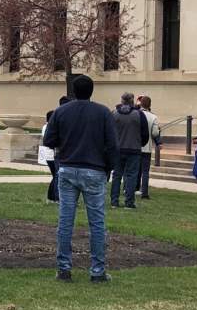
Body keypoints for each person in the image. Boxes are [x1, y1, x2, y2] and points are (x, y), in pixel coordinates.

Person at [44, 75, 118, 282]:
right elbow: (113, 144)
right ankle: (97, 271)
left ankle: (64, 269)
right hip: (94, 169)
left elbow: (49, 139)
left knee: (65, 221)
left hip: (68, 167)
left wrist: (65, 143)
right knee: (97, 222)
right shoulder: (103, 112)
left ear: (74, 91)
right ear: (91, 91)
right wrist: (109, 167)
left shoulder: (61, 112)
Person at [110, 92, 147, 209]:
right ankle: (129, 202)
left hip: (118, 149)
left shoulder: (114, 114)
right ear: (132, 101)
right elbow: (145, 133)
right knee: (131, 176)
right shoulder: (139, 114)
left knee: (116, 175)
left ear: (122, 101)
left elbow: (109, 131)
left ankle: (114, 201)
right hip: (134, 149)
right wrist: (140, 143)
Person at [41, 96, 68, 203]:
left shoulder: (57, 117)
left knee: (56, 175)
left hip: (54, 153)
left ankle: (52, 196)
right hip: (53, 154)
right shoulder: (54, 122)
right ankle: (56, 197)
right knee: (57, 175)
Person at [137, 95, 160, 200]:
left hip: (136, 146)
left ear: (141, 103)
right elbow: (155, 133)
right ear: (150, 105)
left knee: (134, 170)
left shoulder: (135, 114)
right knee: (145, 171)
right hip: (146, 147)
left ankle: (131, 189)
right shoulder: (153, 117)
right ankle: (144, 193)